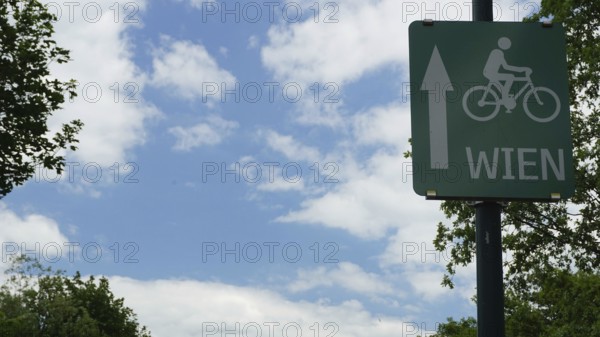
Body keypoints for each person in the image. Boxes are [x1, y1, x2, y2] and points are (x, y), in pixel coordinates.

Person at [483, 37, 532, 109]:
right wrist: (522, 69)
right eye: (506, 44)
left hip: (492, 73)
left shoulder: (499, 52)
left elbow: (506, 66)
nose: (507, 45)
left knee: (509, 79)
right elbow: (506, 67)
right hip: (490, 73)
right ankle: (505, 97)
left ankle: (505, 95)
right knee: (510, 77)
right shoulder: (497, 52)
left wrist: (521, 69)